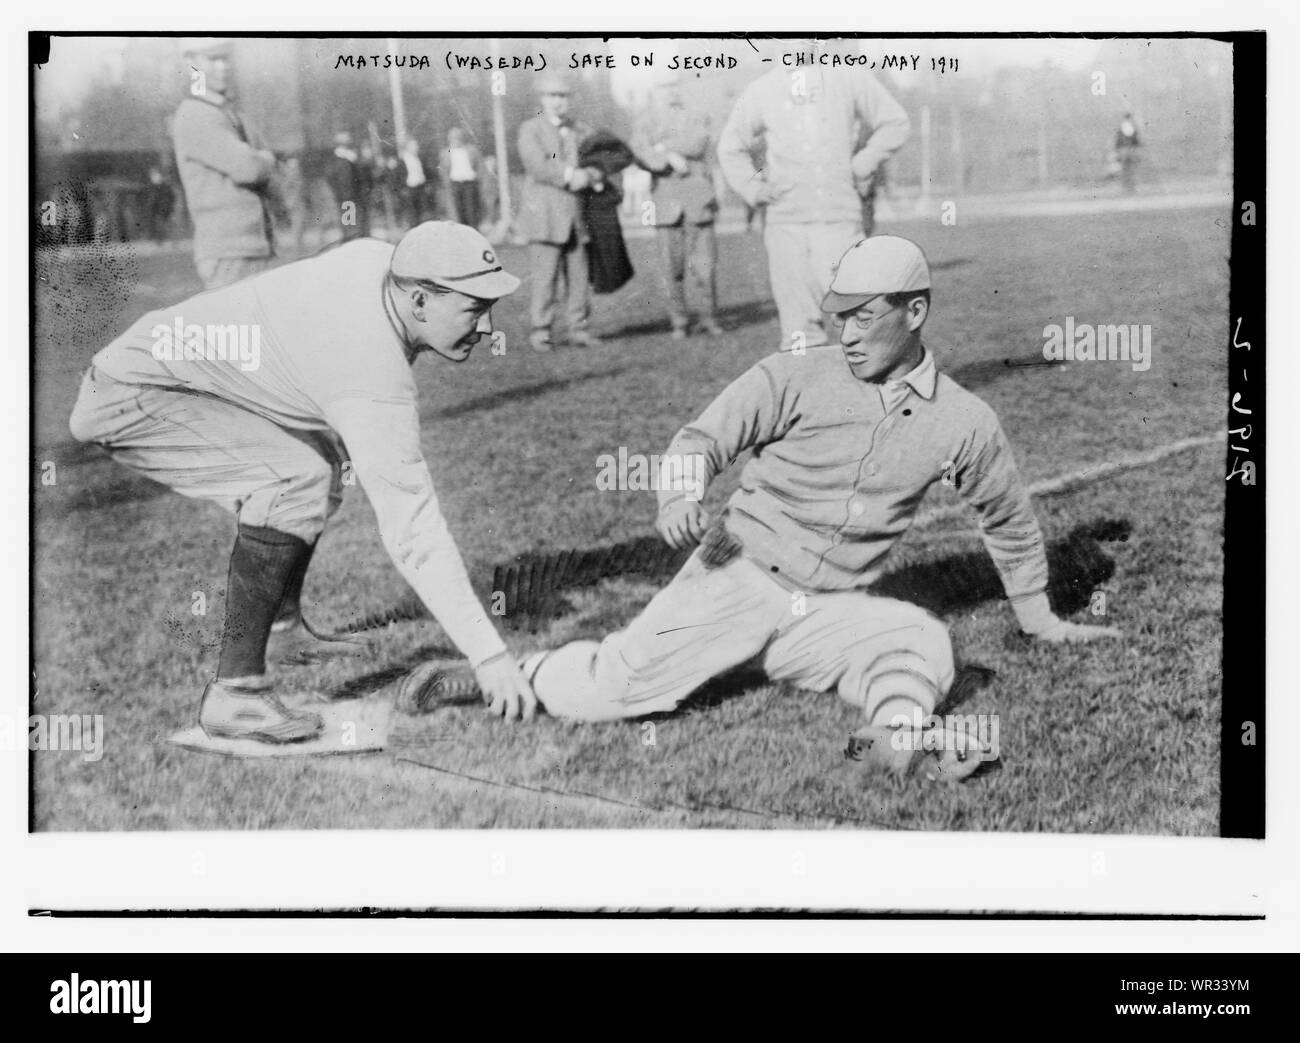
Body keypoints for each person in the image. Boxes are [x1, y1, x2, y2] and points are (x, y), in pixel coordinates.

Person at [513, 236, 1120, 780]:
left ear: (915, 313)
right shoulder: (795, 374)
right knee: (620, 688)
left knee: (921, 639)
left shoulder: (965, 421)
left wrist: (1038, 618)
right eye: (839, 318)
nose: (847, 335)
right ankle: (517, 676)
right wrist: (680, 493)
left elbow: (1006, 519)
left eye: (863, 317)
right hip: (735, 574)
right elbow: (699, 441)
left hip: (825, 610)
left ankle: (896, 738)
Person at [68, 222, 539, 743]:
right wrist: (489, 655)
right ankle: (236, 696)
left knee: (313, 468)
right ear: (420, 300)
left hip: (166, 375)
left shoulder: (385, 263)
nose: (488, 326)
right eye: (474, 308)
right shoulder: (369, 369)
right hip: (131, 395)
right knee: (294, 479)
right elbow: (413, 529)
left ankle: (281, 636)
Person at [717, 49, 910, 352]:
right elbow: (730, 146)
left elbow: (895, 122)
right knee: (799, 330)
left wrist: (862, 163)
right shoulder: (762, 90)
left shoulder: (848, 78)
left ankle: (880, 392)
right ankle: (810, 396)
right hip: (786, 224)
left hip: (838, 219)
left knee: (864, 311)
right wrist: (754, 187)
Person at [172, 37, 277, 289]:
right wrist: (266, 159)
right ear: (191, 64)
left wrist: (262, 159)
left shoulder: (226, 112)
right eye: (213, 59)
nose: (223, 67)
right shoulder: (195, 114)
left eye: (226, 58)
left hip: (253, 247)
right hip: (229, 253)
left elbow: (259, 160)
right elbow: (249, 167)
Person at [517, 72, 603, 352]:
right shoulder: (531, 129)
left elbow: (601, 159)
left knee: (579, 278)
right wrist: (570, 175)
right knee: (545, 278)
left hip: (578, 216)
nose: (557, 102)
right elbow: (537, 165)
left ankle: (579, 329)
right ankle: (541, 331)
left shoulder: (583, 131)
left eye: (563, 96)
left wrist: (590, 175)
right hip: (545, 216)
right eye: (552, 96)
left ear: (571, 99)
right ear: (542, 99)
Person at [632, 75, 722, 340]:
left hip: (698, 200)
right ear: (654, 89)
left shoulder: (696, 115)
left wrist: (662, 147)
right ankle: (679, 321)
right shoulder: (644, 121)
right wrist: (666, 157)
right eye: (663, 85)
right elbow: (639, 153)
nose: (669, 92)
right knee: (671, 268)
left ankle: (709, 317)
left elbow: (698, 143)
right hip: (665, 203)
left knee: (705, 266)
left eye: (673, 85)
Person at [325, 132, 372, 240]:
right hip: (347, 198)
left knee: (353, 226)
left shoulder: (349, 158)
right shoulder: (340, 160)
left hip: (351, 197)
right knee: (350, 227)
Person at [439, 127, 484, 230]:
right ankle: (463, 234)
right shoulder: (446, 152)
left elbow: (480, 166)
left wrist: (478, 179)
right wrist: (447, 183)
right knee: (458, 211)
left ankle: (474, 232)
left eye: (458, 137)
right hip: (455, 184)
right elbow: (443, 170)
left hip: (469, 183)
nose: (456, 140)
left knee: (471, 210)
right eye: (453, 138)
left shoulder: (471, 150)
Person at [400, 137, 435, 226]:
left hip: (421, 188)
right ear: (407, 147)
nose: (416, 147)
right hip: (410, 190)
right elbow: (398, 176)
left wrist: (427, 184)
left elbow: (427, 172)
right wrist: (402, 189)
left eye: (416, 145)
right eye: (413, 145)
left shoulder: (420, 158)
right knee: (412, 214)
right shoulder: (403, 159)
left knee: (423, 213)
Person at [1115, 112, 1141, 194]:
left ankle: (1127, 187)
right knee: (1129, 169)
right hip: (1128, 150)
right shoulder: (1128, 126)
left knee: (1127, 169)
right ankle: (1129, 187)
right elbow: (1132, 138)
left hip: (1125, 150)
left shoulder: (1123, 126)